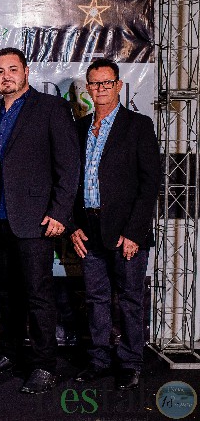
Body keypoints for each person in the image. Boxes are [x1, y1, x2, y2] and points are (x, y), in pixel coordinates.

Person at [0, 47, 80, 394]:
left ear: (26, 71)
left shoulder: (51, 108)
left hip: (35, 219)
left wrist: (60, 212)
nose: (5, 76)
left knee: (38, 294)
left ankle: (44, 364)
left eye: (12, 69)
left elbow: (69, 164)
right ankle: (7, 351)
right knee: (2, 294)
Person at [70, 58, 160, 390]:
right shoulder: (79, 128)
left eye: (107, 83)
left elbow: (150, 183)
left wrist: (134, 232)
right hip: (89, 229)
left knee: (130, 299)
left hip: (126, 232)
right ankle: (98, 360)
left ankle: (131, 362)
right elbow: (70, 181)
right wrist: (73, 226)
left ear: (119, 86)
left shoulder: (138, 125)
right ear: (88, 88)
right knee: (95, 298)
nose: (100, 89)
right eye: (95, 83)